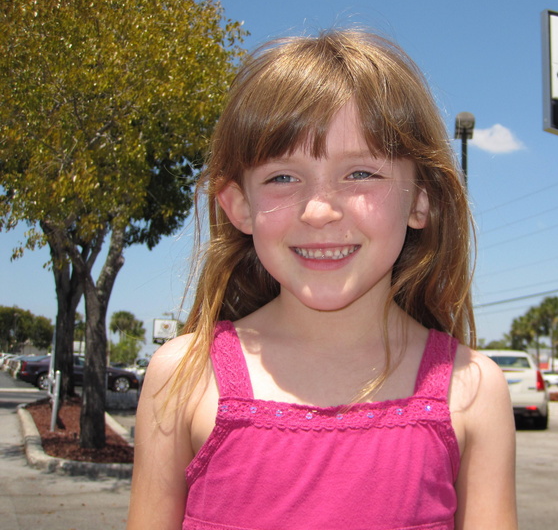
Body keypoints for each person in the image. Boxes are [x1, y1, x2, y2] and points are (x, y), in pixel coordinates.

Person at [127, 29, 517, 530]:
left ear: (422, 200)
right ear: (240, 206)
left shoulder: (474, 390)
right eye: (282, 178)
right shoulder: (182, 376)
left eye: (360, 174)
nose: (318, 210)